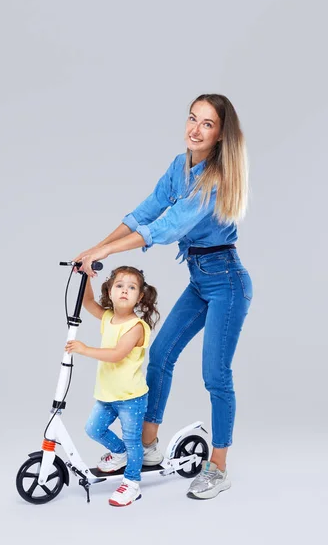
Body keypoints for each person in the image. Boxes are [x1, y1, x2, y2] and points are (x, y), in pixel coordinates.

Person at [73, 93, 253, 500]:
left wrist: (107, 252)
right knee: (161, 355)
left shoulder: (216, 178)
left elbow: (167, 227)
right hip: (199, 281)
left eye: (207, 123)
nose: (195, 129)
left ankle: (219, 466)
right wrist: (95, 248)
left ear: (221, 133)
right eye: (192, 118)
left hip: (227, 282)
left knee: (215, 376)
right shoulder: (179, 166)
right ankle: (148, 445)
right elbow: (145, 212)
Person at [65, 265, 160, 507]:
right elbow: (87, 302)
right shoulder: (108, 317)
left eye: (131, 287)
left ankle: (132, 483)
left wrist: (84, 350)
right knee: (93, 429)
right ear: (109, 291)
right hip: (108, 394)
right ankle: (119, 455)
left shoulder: (136, 326)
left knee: (132, 441)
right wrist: (85, 276)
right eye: (119, 286)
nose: (125, 291)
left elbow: (117, 354)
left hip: (131, 397)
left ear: (140, 297)